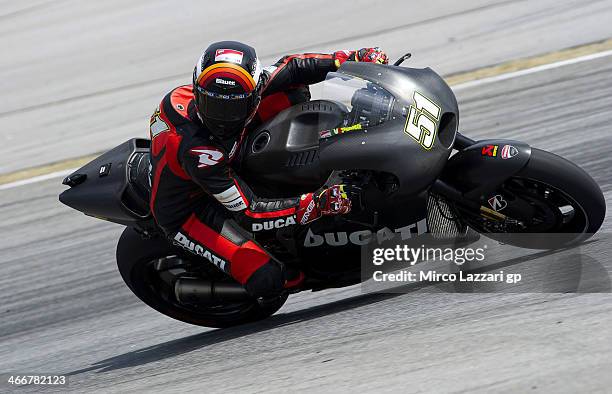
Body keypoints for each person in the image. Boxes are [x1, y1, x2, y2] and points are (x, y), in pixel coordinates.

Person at [148, 41, 389, 299]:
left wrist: (349, 59)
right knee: (268, 278)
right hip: (190, 209)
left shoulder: (252, 85)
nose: (224, 118)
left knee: (291, 91)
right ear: (197, 93)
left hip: (227, 157)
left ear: (254, 90)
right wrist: (317, 205)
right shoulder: (199, 151)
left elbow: (294, 67)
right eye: (214, 105)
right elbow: (250, 210)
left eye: (235, 106)